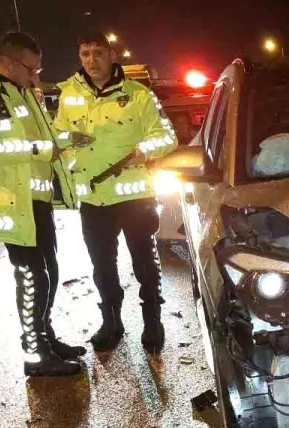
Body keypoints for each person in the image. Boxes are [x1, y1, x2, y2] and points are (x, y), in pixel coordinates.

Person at [0, 32, 84, 377]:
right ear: (7, 63)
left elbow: (39, 138)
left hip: (36, 199)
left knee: (48, 272)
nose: (35, 75)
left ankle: (45, 337)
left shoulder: (20, 91)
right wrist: (40, 151)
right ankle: (36, 354)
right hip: (10, 202)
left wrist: (65, 140)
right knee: (32, 276)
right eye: (31, 68)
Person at [55, 33, 177, 353]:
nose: (91, 60)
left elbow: (167, 137)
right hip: (93, 198)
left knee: (145, 263)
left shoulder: (138, 94)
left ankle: (152, 321)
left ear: (111, 55)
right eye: (85, 54)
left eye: (97, 53)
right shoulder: (69, 95)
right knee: (102, 266)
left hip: (133, 196)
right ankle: (111, 323)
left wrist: (144, 152)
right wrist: (68, 147)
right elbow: (59, 137)